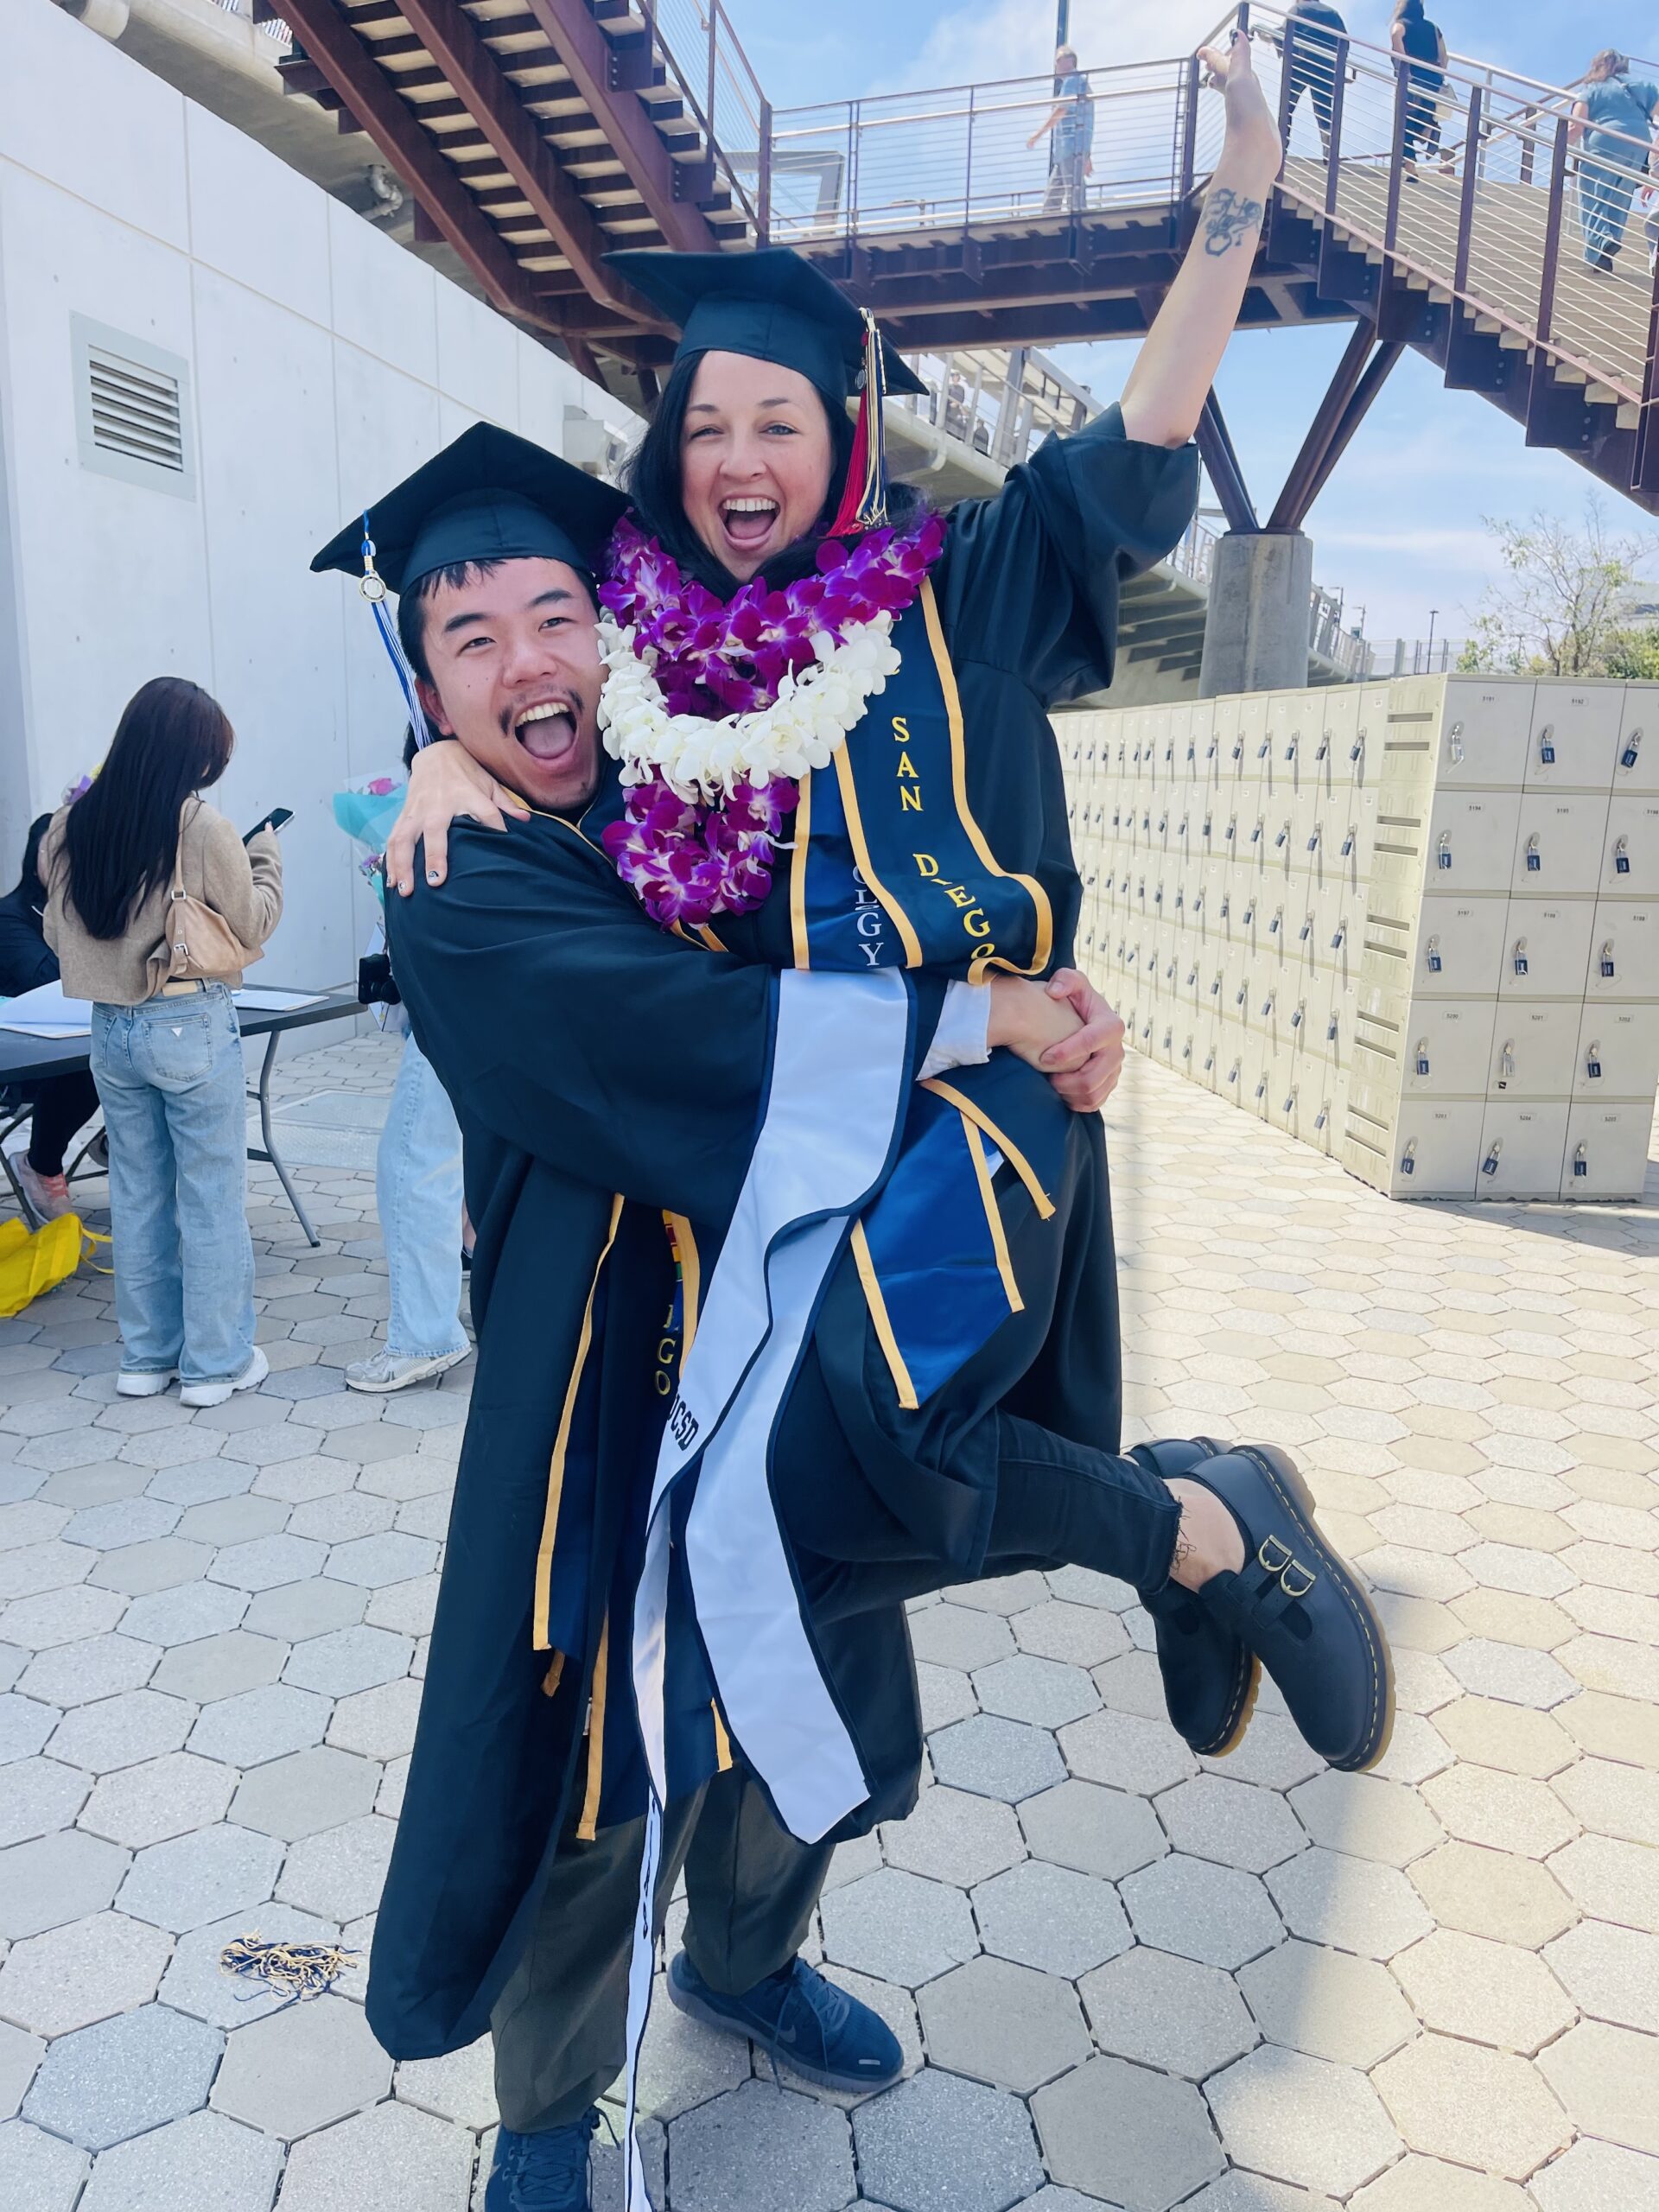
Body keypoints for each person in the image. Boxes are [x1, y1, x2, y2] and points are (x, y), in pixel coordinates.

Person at [354, 39, 1389, 2212]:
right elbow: (653, 991)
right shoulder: (529, 805)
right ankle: (548, 2109)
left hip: (871, 1201)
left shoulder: (869, 628)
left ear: (837, 440)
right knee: (621, 1704)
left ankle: (755, 1956)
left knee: (822, 1568)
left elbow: (1130, 455)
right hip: (621, 1320)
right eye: (473, 644)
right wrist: (432, 768)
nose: (734, 458)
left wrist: (1237, 195)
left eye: (776, 419)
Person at [39, 678, 281, 1408]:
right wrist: (266, 860)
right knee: (210, 1196)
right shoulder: (202, 827)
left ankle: (146, 1359)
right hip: (187, 1020)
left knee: (137, 1193)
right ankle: (214, 1365)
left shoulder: (69, 824)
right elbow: (251, 924)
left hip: (110, 1029)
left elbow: (54, 929)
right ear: (191, 755)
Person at [342, 735, 471, 1396]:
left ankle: (425, 1335)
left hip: (456, 1013)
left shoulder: (446, 817)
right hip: (514, 1015)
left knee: (414, 1163)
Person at [0, 812, 102, 1224]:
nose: (66, 864)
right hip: (22, 1061)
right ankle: (40, 1165)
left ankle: (121, 1141)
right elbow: (50, 981)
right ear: (35, 856)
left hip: (73, 1045)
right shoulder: (10, 916)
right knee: (92, 1062)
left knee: (137, 1045)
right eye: (56, 851)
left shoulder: (88, 912)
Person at [1570, 50, 1659, 273]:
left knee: (1594, 194)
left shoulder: (1592, 89)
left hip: (1605, 140)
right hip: (1639, 142)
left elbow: (1575, 125)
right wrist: (1655, 167)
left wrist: (1560, 147)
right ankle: (1606, 251)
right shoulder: (1643, 86)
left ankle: (1601, 242)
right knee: (1620, 196)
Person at [1270, 0, 1347, 157]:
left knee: (1287, 108)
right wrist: (1339, 69)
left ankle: (1280, 150)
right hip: (1325, 69)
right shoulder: (1333, 14)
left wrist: (1270, 35)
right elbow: (1344, 42)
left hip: (1299, 66)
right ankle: (1330, 153)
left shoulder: (1297, 9)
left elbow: (1285, 34)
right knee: (1324, 111)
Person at [1029, 42, 1094, 214]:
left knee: (1073, 192)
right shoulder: (1079, 82)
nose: (1055, 65)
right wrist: (1087, 155)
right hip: (1068, 150)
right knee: (1054, 194)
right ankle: (1050, 222)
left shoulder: (1073, 80)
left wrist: (1037, 135)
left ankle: (1078, 220)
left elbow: (1061, 109)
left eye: (1058, 60)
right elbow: (1085, 118)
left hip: (1071, 146)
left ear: (1070, 61)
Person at [1392, 0, 1447, 173]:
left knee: (1404, 122)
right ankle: (1428, 130)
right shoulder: (1434, 29)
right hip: (1434, 80)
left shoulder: (1401, 24)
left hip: (1412, 79)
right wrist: (1440, 74)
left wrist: (1403, 65)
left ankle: (1411, 167)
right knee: (1422, 116)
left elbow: (1396, 36)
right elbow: (1445, 56)